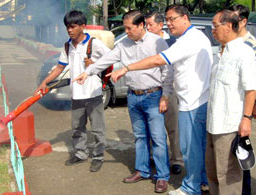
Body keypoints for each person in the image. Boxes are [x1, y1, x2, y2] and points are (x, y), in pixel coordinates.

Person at [108, 5, 213, 195]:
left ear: (185, 18)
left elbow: (159, 61)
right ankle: (202, 182)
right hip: (194, 99)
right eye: (167, 19)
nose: (168, 23)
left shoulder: (189, 40)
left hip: (192, 101)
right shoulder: (192, 37)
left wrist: (127, 68)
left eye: (172, 19)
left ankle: (191, 187)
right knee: (197, 145)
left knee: (189, 148)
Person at [74, 10, 173, 193]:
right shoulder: (124, 44)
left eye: (129, 28)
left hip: (153, 96)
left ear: (141, 25)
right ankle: (142, 170)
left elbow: (167, 71)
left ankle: (162, 176)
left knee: (158, 138)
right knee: (140, 137)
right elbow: (105, 60)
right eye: (125, 28)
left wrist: (165, 96)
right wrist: (87, 73)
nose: (126, 32)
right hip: (133, 97)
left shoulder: (157, 42)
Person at [36, 10, 110, 172]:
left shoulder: (93, 43)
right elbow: (60, 67)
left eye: (73, 26)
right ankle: (80, 153)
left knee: (97, 128)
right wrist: (45, 81)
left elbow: (111, 58)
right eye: (67, 27)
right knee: (77, 127)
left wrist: (94, 63)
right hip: (76, 94)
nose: (70, 30)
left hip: (93, 93)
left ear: (82, 26)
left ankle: (98, 156)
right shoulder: (67, 45)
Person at [206, 9, 256, 194]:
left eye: (215, 25)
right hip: (213, 124)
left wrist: (246, 119)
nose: (212, 29)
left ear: (228, 26)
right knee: (212, 171)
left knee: (229, 176)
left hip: (229, 126)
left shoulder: (244, 53)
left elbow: (251, 89)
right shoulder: (221, 53)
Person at [146, 10, 183, 175]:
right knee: (153, 128)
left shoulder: (173, 42)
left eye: (150, 25)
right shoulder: (145, 42)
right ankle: (156, 157)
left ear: (161, 25)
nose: (147, 28)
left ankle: (176, 160)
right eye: (145, 25)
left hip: (170, 89)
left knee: (172, 126)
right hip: (151, 90)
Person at [229, 4, 256, 195]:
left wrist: (247, 115)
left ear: (243, 21)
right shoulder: (230, 42)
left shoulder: (249, 45)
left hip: (242, 107)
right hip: (231, 105)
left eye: (233, 20)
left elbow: (251, 84)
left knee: (242, 151)